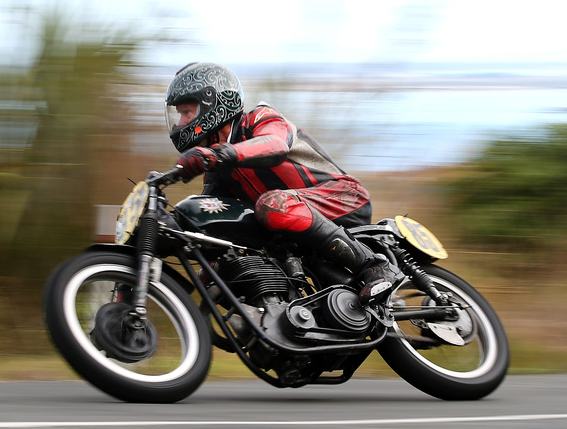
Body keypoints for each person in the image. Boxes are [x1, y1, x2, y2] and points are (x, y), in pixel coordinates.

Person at [164, 62, 402, 305]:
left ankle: (375, 267)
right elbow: (209, 212)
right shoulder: (219, 169)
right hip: (292, 227)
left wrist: (216, 155)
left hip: (343, 197)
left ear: (211, 104)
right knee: (213, 267)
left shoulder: (260, 118)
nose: (180, 123)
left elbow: (275, 145)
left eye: (186, 113)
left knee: (273, 204)